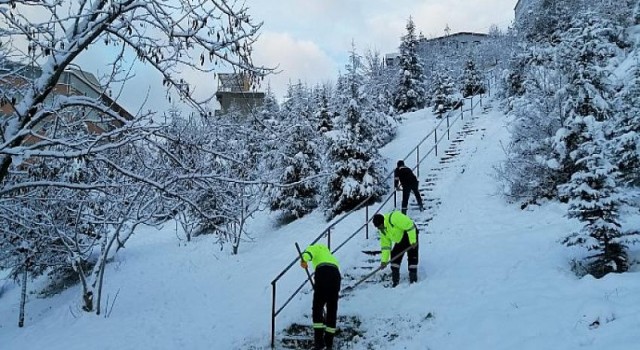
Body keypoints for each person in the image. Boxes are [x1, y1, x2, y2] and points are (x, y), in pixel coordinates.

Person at [300, 243, 341, 350]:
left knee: (317, 307)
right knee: (332, 309)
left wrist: (303, 260)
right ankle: (329, 344)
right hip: (336, 275)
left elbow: (308, 253)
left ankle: (319, 343)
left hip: (323, 272)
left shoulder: (313, 247)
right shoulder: (328, 254)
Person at [372, 211, 419, 287]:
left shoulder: (393, 218)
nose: (379, 228)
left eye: (379, 226)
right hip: (400, 239)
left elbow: (409, 225)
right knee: (394, 256)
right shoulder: (382, 230)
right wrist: (384, 261)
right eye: (377, 227)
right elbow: (386, 246)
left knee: (412, 255)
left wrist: (413, 240)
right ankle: (395, 280)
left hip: (410, 232)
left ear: (383, 221)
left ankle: (413, 278)